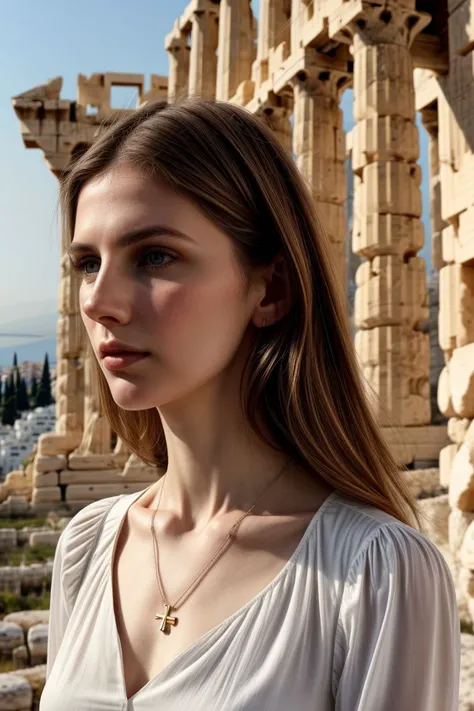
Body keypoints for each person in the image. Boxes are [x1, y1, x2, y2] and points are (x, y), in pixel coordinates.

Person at [40, 97, 460, 711]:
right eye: (87, 263)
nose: (100, 301)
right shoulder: (86, 547)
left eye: (155, 256)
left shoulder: (377, 574)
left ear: (272, 289)